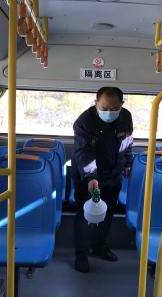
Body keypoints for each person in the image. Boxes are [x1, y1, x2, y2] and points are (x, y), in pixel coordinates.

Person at [71, 87, 134, 273]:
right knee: (85, 216)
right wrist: (91, 177)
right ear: (96, 103)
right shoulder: (84, 121)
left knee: (107, 214)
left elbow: (127, 142)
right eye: (104, 108)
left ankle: (99, 247)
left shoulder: (126, 117)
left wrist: (127, 162)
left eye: (114, 109)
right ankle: (81, 255)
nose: (109, 112)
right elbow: (83, 153)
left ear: (122, 104)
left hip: (113, 175)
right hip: (87, 177)